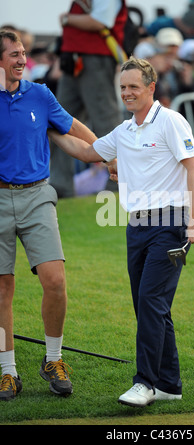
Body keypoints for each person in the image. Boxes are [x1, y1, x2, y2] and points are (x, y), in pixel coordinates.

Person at [48, 56, 194, 407]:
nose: (127, 93)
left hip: (170, 223)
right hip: (136, 226)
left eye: (134, 86)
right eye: (123, 87)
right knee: (149, 305)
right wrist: (49, 129)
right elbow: (88, 151)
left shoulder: (171, 122)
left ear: (151, 87)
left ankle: (146, 383)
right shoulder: (125, 130)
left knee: (151, 303)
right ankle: (169, 384)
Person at [0, 30, 98, 401]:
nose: (22, 60)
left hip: (38, 195)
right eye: (14, 55)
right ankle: (7, 370)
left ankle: (53, 360)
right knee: (2, 289)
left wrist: (107, 155)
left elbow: (74, 131)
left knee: (55, 280)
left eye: (23, 53)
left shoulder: (40, 94)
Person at [49, 0, 128, 198]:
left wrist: (67, 19)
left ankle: (123, 180)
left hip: (95, 60)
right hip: (76, 60)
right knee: (59, 122)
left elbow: (101, 21)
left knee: (106, 122)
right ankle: (60, 186)